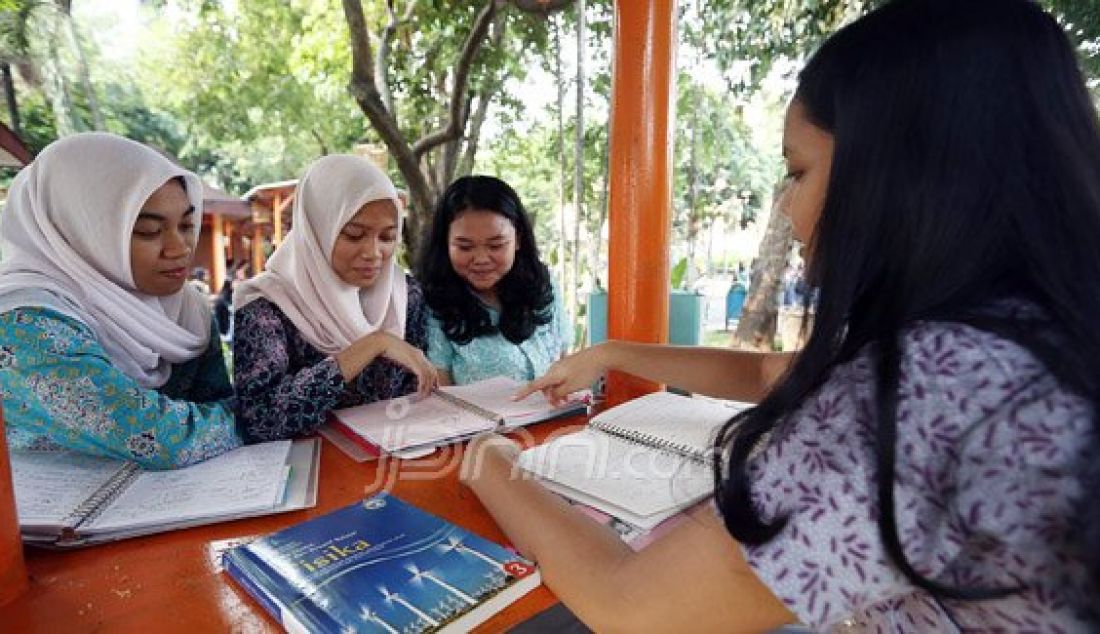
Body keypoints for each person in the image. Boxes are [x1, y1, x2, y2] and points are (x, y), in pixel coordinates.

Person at [461, 1, 1100, 630]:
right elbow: (779, 371)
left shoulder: (919, 388)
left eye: (798, 172)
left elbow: (636, 609)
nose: (790, 214)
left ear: (895, 175)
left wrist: (489, 460)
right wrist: (615, 352)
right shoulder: (1028, 334)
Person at [0, 133, 240, 469]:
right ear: (82, 231)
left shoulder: (188, 311)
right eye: (148, 231)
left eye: (187, 224)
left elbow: (217, 402)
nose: (180, 248)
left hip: (192, 503)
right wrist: (269, 410)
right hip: (58, 516)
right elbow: (158, 439)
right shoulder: (24, 325)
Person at [231, 155, 435, 443]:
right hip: (305, 473)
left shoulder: (404, 296)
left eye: (387, 237)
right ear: (316, 231)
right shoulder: (267, 307)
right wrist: (374, 344)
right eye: (354, 235)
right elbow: (261, 420)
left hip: (398, 457)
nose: (373, 253)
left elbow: (418, 394)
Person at [418, 175, 569, 385]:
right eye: (465, 247)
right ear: (445, 244)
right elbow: (442, 395)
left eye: (496, 245)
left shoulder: (543, 284)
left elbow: (565, 364)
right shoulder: (432, 302)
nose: (481, 259)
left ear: (518, 239)